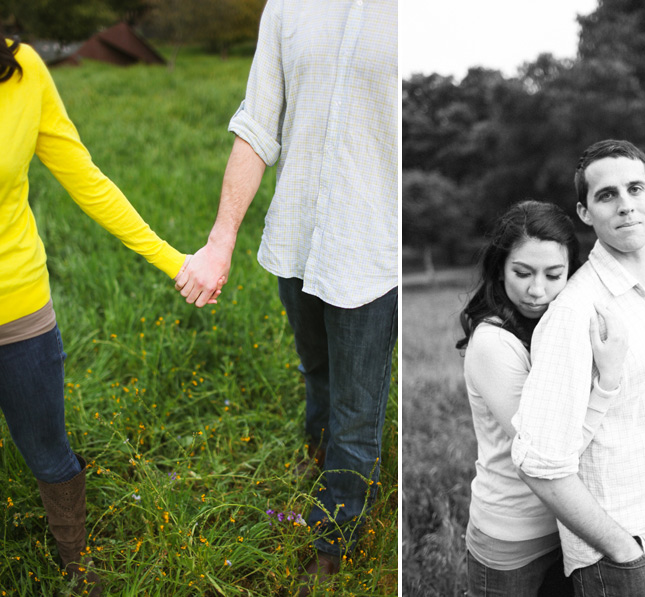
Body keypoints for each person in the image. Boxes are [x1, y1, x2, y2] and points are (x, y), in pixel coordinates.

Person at [173, 0, 397, 592]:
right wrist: (220, 241)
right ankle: (319, 463)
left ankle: (334, 537)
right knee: (316, 371)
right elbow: (256, 123)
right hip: (296, 235)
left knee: (358, 407)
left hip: (371, 251)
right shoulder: (287, 7)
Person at [0, 36, 199, 595]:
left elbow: (84, 177)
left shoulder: (21, 70)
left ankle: (76, 565)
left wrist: (170, 259)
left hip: (17, 305)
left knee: (48, 450)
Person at [458, 200, 645, 597]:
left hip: (569, 528)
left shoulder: (560, 326)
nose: (537, 290)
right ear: (499, 269)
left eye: (554, 275)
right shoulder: (494, 343)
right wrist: (607, 381)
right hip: (513, 538)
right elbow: (548, 453)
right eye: (522, 273)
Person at [511, 140, 645, 597]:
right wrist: (622, 550)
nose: (625, 205)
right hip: (622, 553)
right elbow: (537, 462)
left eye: (635, 188)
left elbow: (639, 391)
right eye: (606, 195)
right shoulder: (577, 311)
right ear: (585, 212)